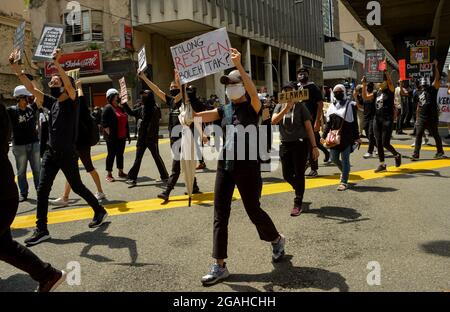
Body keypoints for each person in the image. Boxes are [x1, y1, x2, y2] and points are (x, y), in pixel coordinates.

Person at [194, 48, 285, 286]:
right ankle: (219, 265)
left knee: (253, 210)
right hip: (225, 166)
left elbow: (254, 93)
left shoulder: (253, 106)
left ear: (242, 86)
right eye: (227, 84)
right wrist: (187, 112)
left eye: (234, 83)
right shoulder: (224, 110)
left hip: (248, 167)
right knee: (219, 214)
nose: (229, 87)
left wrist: (240, 67)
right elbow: (199, 116)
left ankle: (276, 239)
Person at [9, 49, 108, 247]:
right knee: (42, 190)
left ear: (64, 86)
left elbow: (71, 87)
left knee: (78, 186)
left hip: (67, 154)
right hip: (50, 153)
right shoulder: (52, 102)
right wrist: (16, 69)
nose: (52, 83)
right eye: (52, 81)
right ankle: (42, 229)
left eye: (56, 81)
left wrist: (57, 64)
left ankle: (99, 210)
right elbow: (32, 89)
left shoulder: (73, 102)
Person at [0, 101, 67, 292]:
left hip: (2, 196)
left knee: (4, 246)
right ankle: (48, 275)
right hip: (5, 192)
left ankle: (48, 274)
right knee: (4, 246)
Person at [138, 70, 202, 201]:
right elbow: (156, 90)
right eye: (171, 87)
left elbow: (185, 95)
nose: (172, 89)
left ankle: (167, 192)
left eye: (175, 87)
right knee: (186, 164)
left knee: (176, 167)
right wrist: (144, 78)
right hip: (174, 139)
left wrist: (182, 83)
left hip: (185, 138)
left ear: (181, 88)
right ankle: (194, 186)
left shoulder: (185, 101)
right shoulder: (171, 101)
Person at [49, 79, 106, 207]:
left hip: (81, 143)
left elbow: (81, 99)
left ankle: (100, 192)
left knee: (89, 167)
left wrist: (79, 87)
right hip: (74, 143)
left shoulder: (77, 105)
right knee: (72, 171)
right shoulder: (67, 105)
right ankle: (65, 197)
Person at [272, 82, 319, 216]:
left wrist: (314, 146)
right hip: (285, 144)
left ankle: (298, 202)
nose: (288, 93)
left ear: (294, 92)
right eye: (285, 91)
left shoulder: (301, 106)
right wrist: (286, 109)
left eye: (290, 91)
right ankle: (299, 188)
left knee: (299, 174)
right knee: (286, 175)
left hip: (300, 144)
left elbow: (309, 128)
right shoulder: (279, 106)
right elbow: (274, 121)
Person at [125, 85, 169, 186]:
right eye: (141, 96)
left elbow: (152, 124)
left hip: (151, 139)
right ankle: (132, 178)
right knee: (138, 158)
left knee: (156, 157)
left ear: (149, 97)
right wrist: (124, 104)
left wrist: (149, 136)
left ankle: (165, 176)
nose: (142, 97)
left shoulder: (155, 108)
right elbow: (131, 112)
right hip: (142, 138)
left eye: (144, 95)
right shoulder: (142, 108)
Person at [321, 85, 361, 191]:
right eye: (335, 92)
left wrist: (357, 137)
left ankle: (344, 182)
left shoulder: (350, 105)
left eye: (340, 91)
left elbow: (354, 123)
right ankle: (345, 172)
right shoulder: (331, 106)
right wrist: (323, 136)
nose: (337, 93)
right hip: (334, 137)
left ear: (343, 92)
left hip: (346, 137)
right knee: (334, 158)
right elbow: (328, 124)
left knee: (345, 160)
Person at [362, 70, 402, 173]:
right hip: (377, 119)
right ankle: (382, 164)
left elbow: (390, 82)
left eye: (382, 81)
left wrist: (386, 72)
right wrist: (363, 84)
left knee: (385, 143)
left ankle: (397, 155)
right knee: (378, 142)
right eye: (379, 81)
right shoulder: (377, 92)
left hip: (387, 119)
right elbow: (365, 97)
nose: (380, 83)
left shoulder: (390, 90)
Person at [7, 85, 41, 202]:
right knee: (21, 172)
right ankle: (23, 193)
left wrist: (31, 84)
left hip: (34, 144)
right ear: (19, 98)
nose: (29, 100)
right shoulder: (11, 111)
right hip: (19, 146)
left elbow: (38, 96)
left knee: (37, 169)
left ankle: (40, 191)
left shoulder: (31, 108)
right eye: (27, 98)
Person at [297, 67, 330, 176]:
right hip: (301, 122)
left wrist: (317, 121)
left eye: (304, 73)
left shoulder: (313, 87)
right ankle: (310, 163)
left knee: (312, 145)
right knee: (307, 145)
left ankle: (314, 169)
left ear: (307, 75)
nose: (301, 75)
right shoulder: (299, 89)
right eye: (299, 74)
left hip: (311, 121)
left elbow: (320, 104)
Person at [411, 60, 445, 160]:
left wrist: (436, 67)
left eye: (425, 84)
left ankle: (440, 151)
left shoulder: (432, 89)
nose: (424, 86)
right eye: (423, 84)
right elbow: (418, 106)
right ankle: (416, 154)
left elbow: (437, 79)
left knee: (435, 135)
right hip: (422, 118)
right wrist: (417, 118)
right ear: (420, 85)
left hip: (432, 117)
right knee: (418, 135)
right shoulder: (417, 93)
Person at [101, 88, 131, 182]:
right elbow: (104, 123)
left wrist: (128, 135)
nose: (118, 97)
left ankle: (120, 172)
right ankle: (109, 174)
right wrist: (111, 135)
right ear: (111, 97)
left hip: (122, 136)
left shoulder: (121, 108)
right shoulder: (108, 108)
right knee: (111, 154)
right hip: (112, 137)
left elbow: (125, 122)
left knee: (120, 154)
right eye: (116, 95)